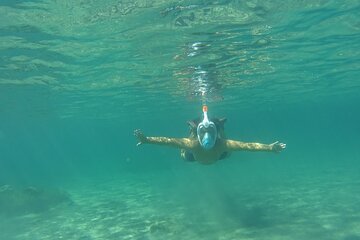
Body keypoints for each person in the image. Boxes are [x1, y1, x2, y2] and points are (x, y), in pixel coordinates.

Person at [134, 105, 286, 165]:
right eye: (203, 133)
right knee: (184, 155)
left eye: (210, 133)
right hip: (195, 157)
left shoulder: (223, 144)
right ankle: (195, 129)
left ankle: (217, 126)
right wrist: (146, 140)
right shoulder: (192, 144)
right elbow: (169, 142)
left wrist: (269, 148)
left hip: (217, 155)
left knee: (230, 150)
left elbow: (248, 146)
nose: (207, 138)